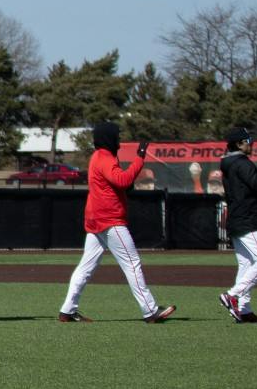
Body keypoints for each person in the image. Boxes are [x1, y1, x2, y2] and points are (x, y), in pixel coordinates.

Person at [58, 122, 174, 323]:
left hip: (96, 219)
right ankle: (150, 311)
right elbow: (123, 181)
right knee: (132, 263)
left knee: (86, 266)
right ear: (108, 138)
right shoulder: (104, 157)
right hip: (110, 220)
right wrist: (140, 158)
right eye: (116, 136)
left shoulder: (98, 156)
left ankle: (67, 310)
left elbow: (115, 183)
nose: (118, 139)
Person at [216, 126, 257, 322]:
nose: (251, 144)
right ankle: (232, 295)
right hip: (248, 219)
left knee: (246, 265)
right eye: (248, 141)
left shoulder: (229, 163)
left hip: (236, 218)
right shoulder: (241, 163)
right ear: (239, 144)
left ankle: (243, 310)